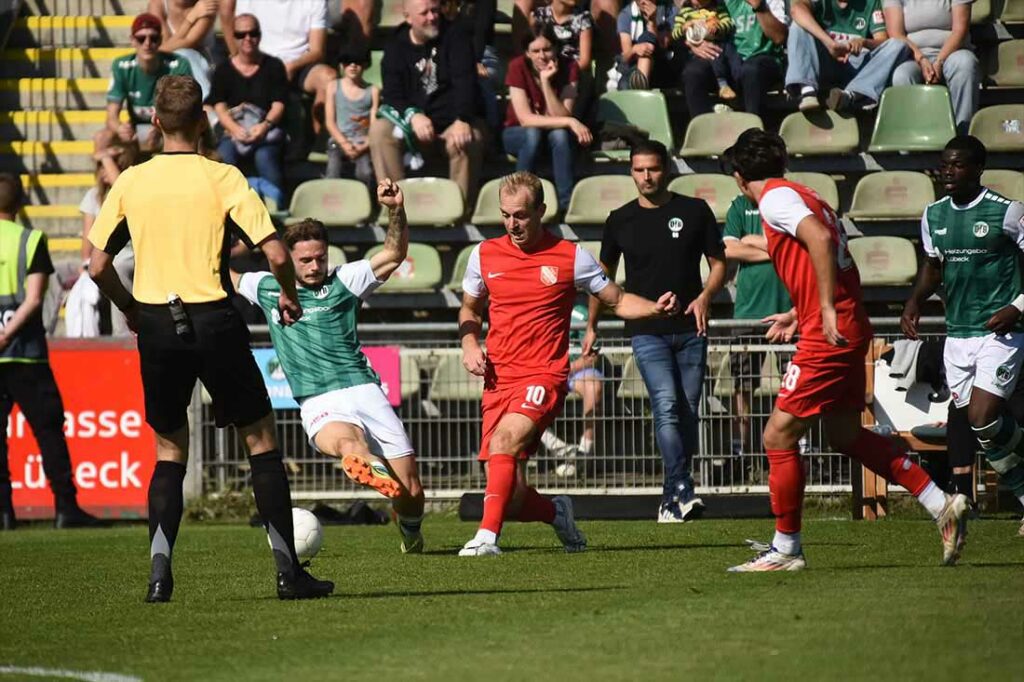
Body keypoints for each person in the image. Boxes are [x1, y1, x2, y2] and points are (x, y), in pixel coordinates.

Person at [87, 75, 332, 602]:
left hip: (156, 320)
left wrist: (131, 309)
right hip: (214, 317)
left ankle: (159, 575)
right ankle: (289, 574)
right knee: (260, 440)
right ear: (201, 121)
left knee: (170, 448)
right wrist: (288, 296)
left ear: (155, 121)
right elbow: (277, 253)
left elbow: (97, 265)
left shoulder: (131, 180)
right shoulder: (223, 177)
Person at [723, 129, 970, 571]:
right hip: (843, 323)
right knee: (844, 435)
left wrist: (820, 310)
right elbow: (836, 254)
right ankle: (941, 504)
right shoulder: (805, 193)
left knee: (777, 435)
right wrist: (801, 313)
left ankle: (786, 549)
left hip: (829, 332)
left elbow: (818, 240)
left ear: (740, 179)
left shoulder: (776, 200)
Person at [458, 171, 681, 556]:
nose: (513, 224)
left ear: (541, 211)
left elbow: (617, 299)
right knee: (510, 494)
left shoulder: (570, 256)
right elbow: (469, 308)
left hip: (543, 374)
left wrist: (655, 309)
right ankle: (556, 512)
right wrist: (468, 343)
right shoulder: (483, 254)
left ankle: (486, 539)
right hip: (498, 378)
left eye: (522, 215)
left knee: (504, 441)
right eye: (506, 215)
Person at [233, 183, 426, 554]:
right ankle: (365, 462)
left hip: (364, 388)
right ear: (286, 259)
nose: (314, 266)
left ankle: (410, 531)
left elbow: (394, 253)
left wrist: (395, 210)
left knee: (412, 492)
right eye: (305, 260)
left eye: (319, 257)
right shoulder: (267, 287)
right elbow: (222, 276)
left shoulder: (345, 280)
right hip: (319, 399)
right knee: (347, 443)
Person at [585, 140, 728, 523]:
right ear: (630, 171)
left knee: (688, 411)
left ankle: (671, 499)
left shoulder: (694, 211)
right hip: (646, 331)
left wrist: (705, 297)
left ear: (667, 169)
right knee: (665, 405)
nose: (646, 177)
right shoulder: (620, 219)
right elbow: (602, 277)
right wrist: (592, 326)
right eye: (638, 170)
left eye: (652, 169)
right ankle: (683, 487)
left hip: (690, 329)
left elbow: (718, 263)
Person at [901, 135, 1024, 536]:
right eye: (944, 164)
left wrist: (1017, 308)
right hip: (958, 335)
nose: (947, 172)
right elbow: (933, 266)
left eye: (956, 165)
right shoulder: (933, 214)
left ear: (977, 168)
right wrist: (914, 301)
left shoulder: (1007, 213)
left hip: (1000, 332)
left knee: (982, 416)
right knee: (984, 433)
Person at [0, 175, 107, 531]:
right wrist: (7, 334)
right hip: (26, 353)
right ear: (20, 203)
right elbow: (33, 300)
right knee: (48, 432)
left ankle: (4, 512)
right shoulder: (30, 240)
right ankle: (65, 507)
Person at [369, 0, 486, 210]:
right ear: (408, 17)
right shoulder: (396, 45)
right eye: (424, 13)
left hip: (452, 123)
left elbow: (466, 83)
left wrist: (462, 119)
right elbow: (392, 94)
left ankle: (457, 212)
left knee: (466, 138)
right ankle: (395, 209)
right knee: (379, 131)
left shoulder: (456, 36)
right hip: (413, 126)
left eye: (434, 10)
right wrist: (414, 116)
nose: (432, 17)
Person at [721, 190, 792, 457]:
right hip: (748, 311)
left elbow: (801, 246)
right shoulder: (739, 205)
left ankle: (800, 448)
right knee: (743, 385)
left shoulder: (787, 201)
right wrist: (778, 249)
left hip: (789, 311)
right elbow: (729, 248)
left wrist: (753, 242)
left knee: (795, 383)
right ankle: (740, 451)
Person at [503, 25, 592, 213]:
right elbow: (526, 119)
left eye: (546, 49)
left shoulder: (569, 67)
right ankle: (519, 201)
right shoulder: (516, 66)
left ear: (556, 49)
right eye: (535, 51)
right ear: (527, 53)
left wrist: (545, 82)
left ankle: (565, 205)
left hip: (553, 137)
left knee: (559, 135)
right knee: (533, 134)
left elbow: (561, 114)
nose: (542, 56)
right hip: (517, 134)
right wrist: (570, 122)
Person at [209, 13, 288, 207]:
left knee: (265, 157)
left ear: (259, 35)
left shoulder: (274, 66)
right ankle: (226, 208)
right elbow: (218, 104)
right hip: (233, 131)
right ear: (234, 37)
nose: (248, 39)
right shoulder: (223, 70)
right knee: (224, 158)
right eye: (241, 34)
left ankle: (276, 207)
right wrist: (235, 129)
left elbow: (279, 104)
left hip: (265, 132)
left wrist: (263, 127)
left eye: (253, 33)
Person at [222, 0, 337, 128]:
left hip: (299, 64)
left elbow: (317, 51)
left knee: (328, 78)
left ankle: (319, 142)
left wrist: (291, 66)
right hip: (260, 61)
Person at [785, 0, 911, 113]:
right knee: (798, 25)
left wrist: (864, 42)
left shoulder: (871, 2)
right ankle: (808, 93)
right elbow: (796, 10)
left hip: (857, 65)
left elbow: (882, 39)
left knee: (899, 45)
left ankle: (850, 95)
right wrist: (829, 43)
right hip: (825, 61)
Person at [95, 13, 193, 153]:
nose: (147, 43)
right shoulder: (122, 66)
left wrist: (162, 128)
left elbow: (186, 111)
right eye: (141, 38)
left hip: (170, 129)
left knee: (197, 138)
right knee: (102, 138)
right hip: (136, 129)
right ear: (132, 41)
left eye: (153, 38)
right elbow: (111, 116)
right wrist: (120, 128)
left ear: (160, 40)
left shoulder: (178, 64)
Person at [678, 0, 788, 117]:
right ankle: (702, 129)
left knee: (750, 70)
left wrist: (759, 7)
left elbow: (779, 37)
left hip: (762, 59)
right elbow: (686, 23)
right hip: (722, 60)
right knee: (693, 72)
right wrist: (693, 43)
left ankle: (754, 130)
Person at [884, 0, 979, 134]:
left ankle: (962, 138)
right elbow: (896, 34)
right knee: (901, 75)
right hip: (912, 55)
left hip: (953, 52)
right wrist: (921, 59)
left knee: (966, 64)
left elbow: (960, 30)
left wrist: (940, 61)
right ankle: (910, 142)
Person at [76, 145, 139, 337]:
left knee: (117, 267)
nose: (105, 169)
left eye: (110, 164)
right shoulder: (93, 197)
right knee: (55, 274)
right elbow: (88, 248)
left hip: (129, 255)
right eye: (101, 165)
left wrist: (105, 156)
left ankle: (122, 334)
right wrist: (84, 266)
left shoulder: (132, 192)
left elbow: (121, 186)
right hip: (97, 258)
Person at [324, 50, 378, 192]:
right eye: (348, 62)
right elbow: (330, 122)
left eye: (358, 62)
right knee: (333, 172)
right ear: (342, 65)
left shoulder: (372, 90)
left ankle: (366, 205)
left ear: (366, 65)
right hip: (339, 139)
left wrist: (366, 144)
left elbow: (374, 123)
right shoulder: (333, 86)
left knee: (365, 173)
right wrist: (345, 143)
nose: (353, 66)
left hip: (363, 142)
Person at [147, 0, 218, 99]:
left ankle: (205, 101)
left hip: (201, 64)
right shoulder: (158, 5)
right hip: (169, 64)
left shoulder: (206, 4)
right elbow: (165, 46)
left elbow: (189, 42)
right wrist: (190, 19)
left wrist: (155, 52)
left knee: (185, 54)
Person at [674, 0, 739, 104]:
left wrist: (718, 28)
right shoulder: (684, 12)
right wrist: (684, 28)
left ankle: (737, 82)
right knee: (710, 60)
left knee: (729, 54)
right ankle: (722, 84)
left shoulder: (718, 8)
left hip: (718, 42)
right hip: (696, 48)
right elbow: (675, 34)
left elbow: (728, 23)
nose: (699, 3)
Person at [613, 0, 678, 91]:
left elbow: (664, 44)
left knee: (647, 36)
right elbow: (625, 57)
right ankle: (641, 85)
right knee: (625, 83)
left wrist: (652, 21)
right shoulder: (626, 15)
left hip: (663, 63)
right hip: (633, 66)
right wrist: (635, 49)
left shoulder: (669, 10)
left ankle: (640, 87)